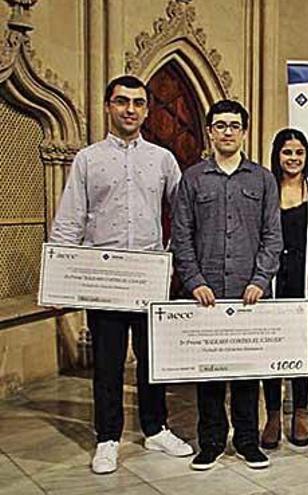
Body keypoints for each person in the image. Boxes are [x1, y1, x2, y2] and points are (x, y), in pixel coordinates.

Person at [49, 75, 192, 474]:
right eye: (122, 101)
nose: (130, 109)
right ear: (109, 106)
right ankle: (107, 438)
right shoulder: (88, 159)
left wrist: (171, 257)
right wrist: (60, 280)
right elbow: (70, 219)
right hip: (105, 281)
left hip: (149, 278)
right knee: (108, 364)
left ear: (147, 110)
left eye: (138, 103)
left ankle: (156, 428)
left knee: (152, 360)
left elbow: (182, 216)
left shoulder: (163, 159)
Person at [172, 100, 283, 471]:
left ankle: (248, 441)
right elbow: (181, 236)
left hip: (248, 293)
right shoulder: (192, 179)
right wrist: (194, 280)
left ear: (244, 131)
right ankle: (211, 442)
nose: (228, 132)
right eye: (220, 125)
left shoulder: (263, 179)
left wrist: (260, 279)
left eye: (234, 125)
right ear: (210, 131)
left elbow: (273, 236)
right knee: (210, 373)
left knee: (247, 372)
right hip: (206, 295)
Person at [259, 129, 308, 449]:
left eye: (299, 152)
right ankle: (273, 414)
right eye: (287, 152)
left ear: (306, 155)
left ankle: (300, 412)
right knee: (272, 349)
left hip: (304, 280)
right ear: (277, 155)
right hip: (272, 280)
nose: (293, 158)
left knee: (303, 348)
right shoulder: (264, 189)